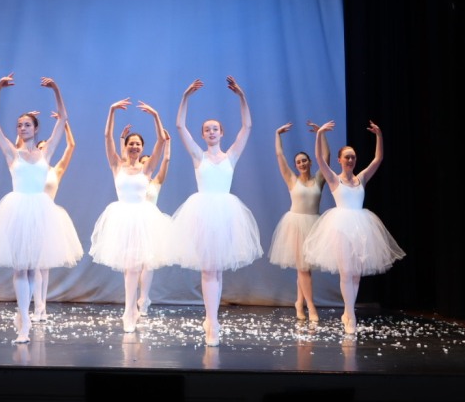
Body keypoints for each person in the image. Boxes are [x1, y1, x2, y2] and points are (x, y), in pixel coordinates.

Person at [0, 73, 83, 343]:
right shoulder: (11, 153)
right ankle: (24, 322)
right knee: (20, 269)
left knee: (32, 268)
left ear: (35, 129)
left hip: (40, 212)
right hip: (16, 210)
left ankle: (27, 316)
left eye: (26, 124)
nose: (22, 128)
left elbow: (63, 119)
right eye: (19, 125)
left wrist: (56, 89)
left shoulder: (46, 152)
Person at [171, 76, 262, 346]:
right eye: (207, 130)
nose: (211, 132)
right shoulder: (198, 156)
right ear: (203, 135)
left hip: (225, 215)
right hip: (202, 214)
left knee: (218, 269)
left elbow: (247, 126)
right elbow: (179, 125)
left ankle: (213, 317)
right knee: (209, 268)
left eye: (215, 129)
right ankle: (211, 321)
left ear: (221, 133)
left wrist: (242, 97)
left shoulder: (230, 156)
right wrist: (185, 97)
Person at [301, 120, 405, 334]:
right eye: (347, 156)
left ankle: (348, 312)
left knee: (355, 273)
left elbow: (378, 159)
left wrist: (379, 135)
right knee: (346, 272)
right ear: (339, 160)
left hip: (360, 227)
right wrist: (319, 134)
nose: (350, 159)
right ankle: (350, 314)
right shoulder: (333, 179)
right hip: (339, 227)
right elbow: (320, 159)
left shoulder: (361, 179)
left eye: (353, 157)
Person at [90, 98, 171, 333]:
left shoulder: (147, 168)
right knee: (130, 267)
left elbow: (162, 141)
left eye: (138, 144)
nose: (135, 147)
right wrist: (111, 110)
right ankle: (129, 310)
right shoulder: (116, 165)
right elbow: (106, 138)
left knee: (135, 266)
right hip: (122, 218)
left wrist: (155, 115)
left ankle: (131, 310)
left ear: (142, 148)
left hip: (142, 219)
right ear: (125, 146)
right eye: (131, 143)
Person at [267, 121, 330, 322]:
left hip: (314, 225)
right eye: (299, 162)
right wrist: (277, 134)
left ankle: (298, 302)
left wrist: (321, 133)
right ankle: (311, 307)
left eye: (305, 161)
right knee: (303, 268)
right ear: (296, 166)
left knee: (305, 267)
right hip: (295, 226)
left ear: (310, 162)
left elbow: (326, 157)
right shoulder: (291, 179)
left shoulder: (319, 179)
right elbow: (279, 156)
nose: (302, 164)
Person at [119, 124, 173, 316]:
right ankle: (132, 301)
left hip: (150, 223)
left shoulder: (156, 181)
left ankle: (144, 297)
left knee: (147, 263)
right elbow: (124, 163)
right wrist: (121, 140)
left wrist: (167, 143)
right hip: (132, 221)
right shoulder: (135, 177)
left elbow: (165, 159)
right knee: (131, 263)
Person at [30, 111, 78, 323]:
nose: (42, 151)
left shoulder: (55, 170)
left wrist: (64, 123)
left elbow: (71, 147)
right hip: (30, 214)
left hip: (49, 216)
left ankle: (43, 306)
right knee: (33, 263)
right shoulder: (30, 169)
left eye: (45, 149)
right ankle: (37, 304)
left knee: (44, 264)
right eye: (38, 148)